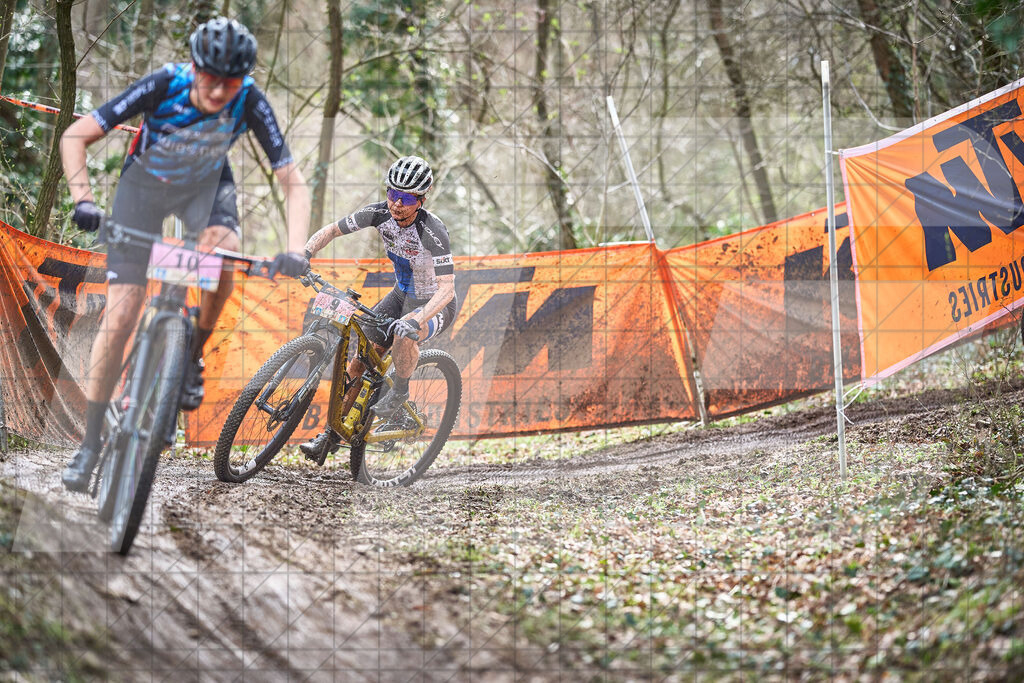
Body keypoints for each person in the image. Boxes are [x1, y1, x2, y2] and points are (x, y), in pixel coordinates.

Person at [60, 17, 311, 492]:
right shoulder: (164, 83)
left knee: (225, 254)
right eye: (210, 78)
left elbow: (292, 182)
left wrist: (295, 249)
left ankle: (189, 355)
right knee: (122, 315)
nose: (218, 91)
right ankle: (90, 445)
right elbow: (76, 136)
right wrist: (83, 200)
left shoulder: (249, 99)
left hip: (206, 189)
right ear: (194, 68)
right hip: (143, 187)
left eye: (229, 82)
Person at [298, 156, 456, 461]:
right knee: (359, 363)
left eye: (406, 198)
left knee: (404, 334)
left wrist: (417, 319)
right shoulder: (379, 213)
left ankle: (400, 392)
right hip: (400, 295)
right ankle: (330, 436)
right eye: (392, 193)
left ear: (421, 200)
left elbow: (447, 289)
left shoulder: (433, 230)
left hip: (434, 303)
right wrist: (305, 252)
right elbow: (331, 230)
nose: (396, 203)